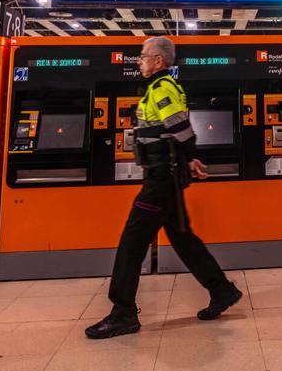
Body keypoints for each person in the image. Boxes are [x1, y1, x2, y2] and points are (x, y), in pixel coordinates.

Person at [85, 36, 242, 339]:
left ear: (158, 60)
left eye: (143, 56)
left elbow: (180, 128)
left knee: (132, 243)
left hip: (160, 180)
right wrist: (190, 158)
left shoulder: (162, 88)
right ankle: (221, 290)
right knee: (183, 239)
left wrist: (190, 155)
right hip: (164, 175)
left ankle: (123, 313)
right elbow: (175, 132)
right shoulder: (157, 89)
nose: (139, 61)